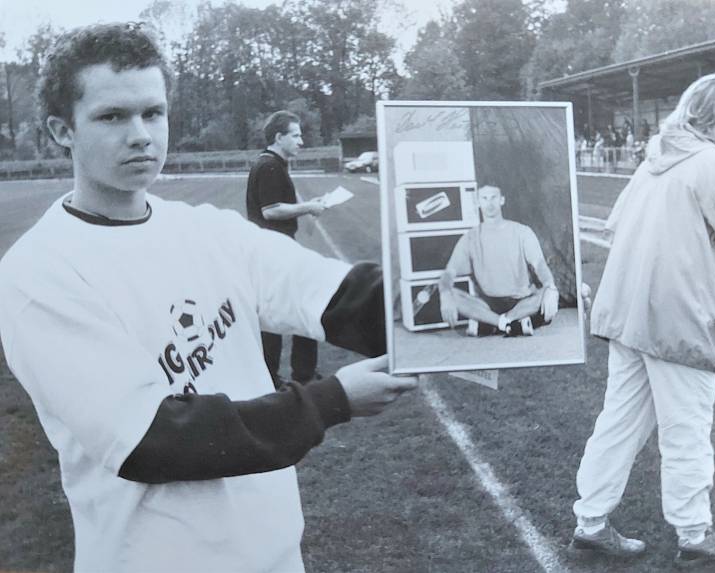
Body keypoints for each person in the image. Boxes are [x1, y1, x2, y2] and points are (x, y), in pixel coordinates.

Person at [0, 23, 416, 573]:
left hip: (275, 556)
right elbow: (154, 440)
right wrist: (332, 400)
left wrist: (458, 292)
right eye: (112, 116)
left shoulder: (207, 230)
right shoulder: (38, 274)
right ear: (62, 130)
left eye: (153, 112)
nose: (141, 134)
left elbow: (337, 297)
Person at [569, 73, 715, 567]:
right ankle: (694, 535)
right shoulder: (710, 161)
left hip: (628, 310)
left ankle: (591, 523)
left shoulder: (654, 159)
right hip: (676, 318)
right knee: (687, 427)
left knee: (619, 421)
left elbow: (618, 221)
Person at [246, 110, 327, 385]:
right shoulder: (270, 166)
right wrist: (307, 207)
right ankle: (298, 375)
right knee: (298, 309)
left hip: (272, 251)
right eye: (296, 135)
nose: (301, 141)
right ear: (279, 138)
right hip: (273, 252)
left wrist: (307, 208)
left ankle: (275, 376)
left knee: (280, 314)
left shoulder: (271, 163)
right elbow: (271, 210)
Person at [438, 184, 559, 337]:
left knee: (545, 295)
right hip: (488, 304)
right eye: (484, 198)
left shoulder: (522, 231)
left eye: (493, 197)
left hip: (521, 300)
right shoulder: (470, 237)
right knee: (452, 295)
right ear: (478, 202)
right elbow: (449, 272)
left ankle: (493, 324)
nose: (489, 203)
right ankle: (511, 324)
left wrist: (550, 286)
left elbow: (539, 264)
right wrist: (445, 294)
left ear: (502, 200)